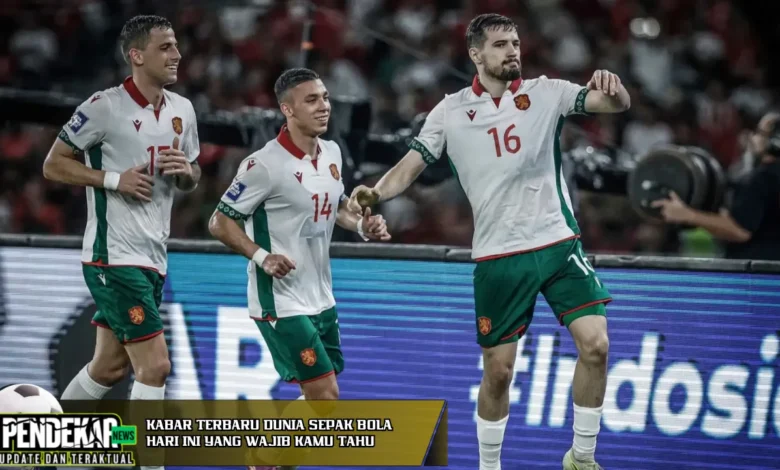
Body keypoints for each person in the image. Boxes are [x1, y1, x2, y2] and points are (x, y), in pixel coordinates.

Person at [349, 13, 630, 470]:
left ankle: (581, 458)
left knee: (596, 345)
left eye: (515, 42)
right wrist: (376, 192)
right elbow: (412, 165)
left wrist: (615, 88)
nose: (512, 51)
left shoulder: (547, 92)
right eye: (500, 44)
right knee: (498, 373)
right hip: (500, 257)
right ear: (476, 54)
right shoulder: (450, 111)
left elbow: (613, 104)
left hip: (559, 244)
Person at [208, 68, 390, 469]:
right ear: (287, 109)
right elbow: (219, 222)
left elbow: (337, 206)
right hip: (280, 299)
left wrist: (363, 226)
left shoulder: (333, 153)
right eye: (311, 100)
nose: (324, 106)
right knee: (325, 396)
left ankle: (271, 461)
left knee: (317, 401)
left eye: (325, 97)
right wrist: (263, 256)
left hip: (320, 294)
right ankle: (261, 457)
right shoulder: (263, 165)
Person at [43, 15, 200, 470]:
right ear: (137, 55)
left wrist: (186, 173)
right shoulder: (103, 106)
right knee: (156, 367)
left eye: (176, 46)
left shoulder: (183, 110)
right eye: (165, 47)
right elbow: (54, 164)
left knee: (108, 368)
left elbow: (192, 175)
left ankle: (48, 447)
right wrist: (114, 179)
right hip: (113, 256)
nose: (177, 55)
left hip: (153, 256)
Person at [653, 111, 780, 261]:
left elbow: (740, 231)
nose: (752, 137)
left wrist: (686, 214)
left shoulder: (761, 178)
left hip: (758, 269)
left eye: (759, 132)